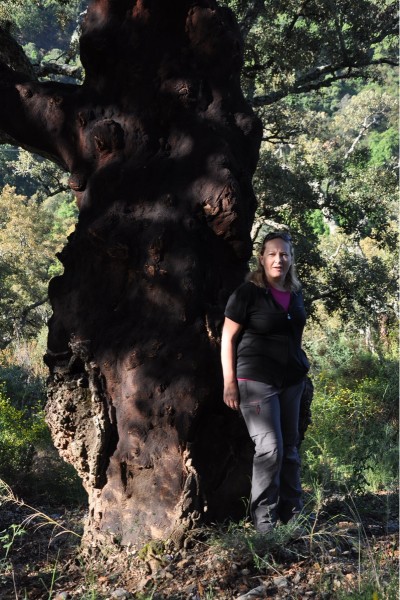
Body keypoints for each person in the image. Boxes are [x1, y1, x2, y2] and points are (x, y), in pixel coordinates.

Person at [221, 230, 309, 533]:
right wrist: (229, 382)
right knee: (270, 449)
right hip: (255, 380)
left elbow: (293, 335)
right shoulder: (248, 293)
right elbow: (227, 338)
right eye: (272, 253)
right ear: (262, 258)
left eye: (284, 254)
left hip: (291, 382)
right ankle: (265, 526)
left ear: (291, 259)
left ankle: (293, 518)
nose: (278, 259)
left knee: (291, 449)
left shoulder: (295, 293)